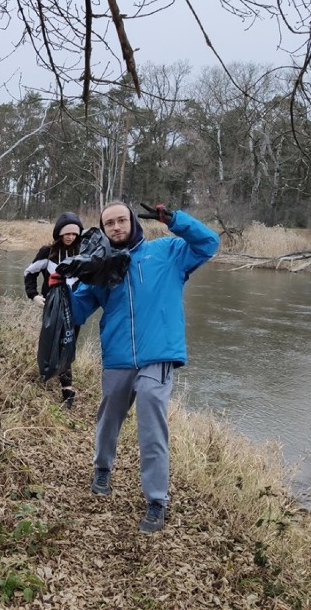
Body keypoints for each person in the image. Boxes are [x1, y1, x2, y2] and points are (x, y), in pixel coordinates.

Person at [69, 201, 219, 533]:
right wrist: (62, 286)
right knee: (109, 417)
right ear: (104, 229)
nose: (117, 227)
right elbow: (78, 312)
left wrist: (177, 221)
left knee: (152, 419)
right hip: (118, 357)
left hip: (157, 354)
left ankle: (156, 500)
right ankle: (102, 468)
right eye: (110, 223)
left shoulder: (167, 251)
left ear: (133, 221)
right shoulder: (101, 266)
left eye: (122, 220)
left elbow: (209, 243)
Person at [23, 211, 84, 408]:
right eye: (67, 233)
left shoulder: (81, 254)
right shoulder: (47, 252)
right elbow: (29, 273)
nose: (71, 237)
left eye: (75, 234)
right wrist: (34, 296)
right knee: (52, 342)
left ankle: (67, 389)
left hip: (75, 308)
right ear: (58, 233)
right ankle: (49, 372)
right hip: (52, 307)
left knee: (68, 344)